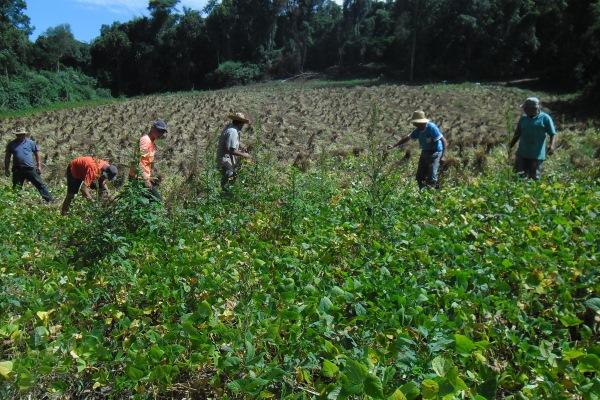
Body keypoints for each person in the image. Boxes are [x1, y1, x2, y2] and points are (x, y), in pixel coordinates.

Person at [390, 110, 448, 189]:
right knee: (419, 176)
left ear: (422, 122)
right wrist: (394, 145)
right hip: (425, 151)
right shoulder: (418, 130)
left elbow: (443, 141)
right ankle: (422, 192)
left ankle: (434, 193)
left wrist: (443, 156)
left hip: (436, 151)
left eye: (417, 123)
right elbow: (407, 138)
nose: (415, 125)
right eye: (415, 123)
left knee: (432, 175)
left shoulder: (431, 128)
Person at [509, 97, 557, 180]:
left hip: (536, 154)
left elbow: (553, 133)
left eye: (525, 108)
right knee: (518, 176)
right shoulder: (523, 118)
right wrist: (510, 145)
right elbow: (517, 133)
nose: (524, 110)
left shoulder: (545, 118)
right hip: (522, 153)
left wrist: (552, 146)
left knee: (534, 177)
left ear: (534, 108)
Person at [4, 127, 54, 202]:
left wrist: (39, 166)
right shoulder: (11, 144)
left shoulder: (31, 143)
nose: (19, 136)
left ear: (24, 134)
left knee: (40, 184)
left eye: (21, 135)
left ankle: (50, 201)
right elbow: (7, 157)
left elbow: (37, 154)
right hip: (17, 169)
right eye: (18, 135)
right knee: (16, 187)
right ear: (16, 135)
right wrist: (6, 169)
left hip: (29, 168)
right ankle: (16, 203)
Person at [131, 119, 167, 200]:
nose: (160, 133)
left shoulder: (152, 142)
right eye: (159, 130)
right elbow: (138, 160)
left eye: (162, 132)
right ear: (152, 128)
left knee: (145, 203)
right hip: (138, 178)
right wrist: (145, 180)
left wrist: (150, 177)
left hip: (143, 178)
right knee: (157, 200)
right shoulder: (145, 140)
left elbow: (146, 162)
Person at [216, 112, 252, 191]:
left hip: (223, 160)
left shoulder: (230, 129)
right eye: (243, 123)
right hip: (226, 162)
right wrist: (245, 155)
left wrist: (241, 149)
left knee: (226, 182)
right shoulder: (233, 132)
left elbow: (231, 146)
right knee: (227, 185)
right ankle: (225, 198)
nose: (243, 125)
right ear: (241, 123)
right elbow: (231, 150)